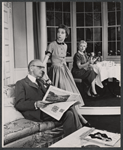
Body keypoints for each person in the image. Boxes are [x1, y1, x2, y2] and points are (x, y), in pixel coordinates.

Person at [14, 59, 83, 137]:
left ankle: (73, 138)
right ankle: (76, 136)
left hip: (48, 109)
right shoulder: (21, 83)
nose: (42, 70)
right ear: (31, 68)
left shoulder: (41, 81)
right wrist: (35, 104)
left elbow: (50, 95)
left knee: (70, 108)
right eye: (40, 67)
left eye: (43, 68)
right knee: (69, 113)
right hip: (36, 113)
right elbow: (19, 104)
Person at [43, 24, 90, 126]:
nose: (60, 34)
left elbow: (63, 60)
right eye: (58, 32)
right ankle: (79, 118)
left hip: (65, 72)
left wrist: (68, 73)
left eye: (62, 33)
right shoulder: (51, 45)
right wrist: (44, 76)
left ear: (66, 35)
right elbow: (44, 62)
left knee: (70, 95)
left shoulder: (65, 45)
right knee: (62, 96)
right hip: (55, 73)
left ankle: (79, 117)